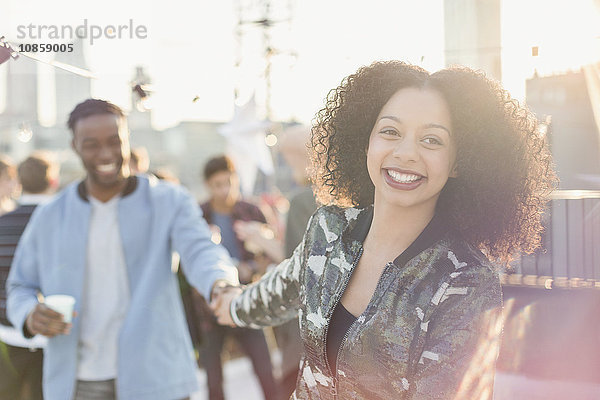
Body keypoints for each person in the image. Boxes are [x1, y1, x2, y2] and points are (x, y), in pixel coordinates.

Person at [211, 61, 557, 399]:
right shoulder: (329, 229)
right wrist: (230, 302)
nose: (405, 153)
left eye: (432, 140)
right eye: (390, 131)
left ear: (458, 163)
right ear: (366, 143)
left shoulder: (465, 280)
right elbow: (278, 290)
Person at [6, 99, 239, 400]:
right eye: (91, 144)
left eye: (114, 142)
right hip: (78, 381)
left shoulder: (169, 200)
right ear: (74, 145)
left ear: (127, 139)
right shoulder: (50, 215)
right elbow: (19, 286)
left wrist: (221, 284)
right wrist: (28, 314)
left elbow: (201, 250)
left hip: (155, 374)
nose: (105, 154)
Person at [190, 155, 277, 400]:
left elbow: (272, 255)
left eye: (229, 183)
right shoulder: (199, 216)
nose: (225, 190)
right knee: (214, 380)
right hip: (211, 306)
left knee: (266, 371)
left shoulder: (252, 211)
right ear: (208, 185)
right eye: (218, 185)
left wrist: (252, 266)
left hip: (250, 300)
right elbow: (190, 260)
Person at [0, 152, 59, 400]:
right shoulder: (62, 223)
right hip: (53, 336)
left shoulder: (2, 224)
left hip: (5, 334)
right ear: (53, 181)